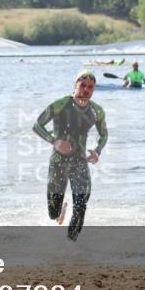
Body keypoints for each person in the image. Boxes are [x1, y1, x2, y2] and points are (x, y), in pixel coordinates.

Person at [32, 71, 108, 241]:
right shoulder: (61, 104)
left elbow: (104, 134)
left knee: (81, 207)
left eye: (90, 87)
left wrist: (97, 151)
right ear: (75, 86)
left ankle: (69, 245)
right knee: (53, 213)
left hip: (80, 162)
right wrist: (54, 141)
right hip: (58, 162)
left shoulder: (97, 111)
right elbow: (37, 125)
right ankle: (60, 211)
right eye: (83, 86)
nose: (86, 90)